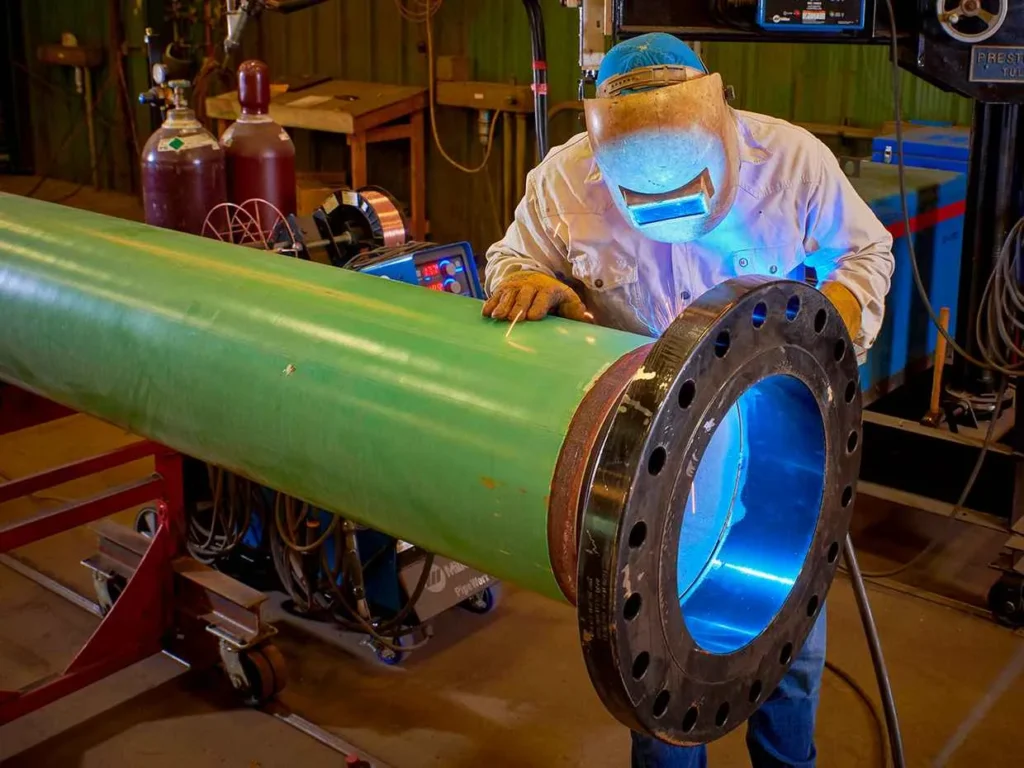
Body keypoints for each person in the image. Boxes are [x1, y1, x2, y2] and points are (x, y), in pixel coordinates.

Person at [481, 32, 894, 768]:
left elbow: (865, 251)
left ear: (721, 116)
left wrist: (829, 320)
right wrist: (526, 279)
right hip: (647, 465)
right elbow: (513, 255)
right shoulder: (565, 181)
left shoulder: (791, 161)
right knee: (657, 674)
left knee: (789, 652)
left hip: (775, 449)